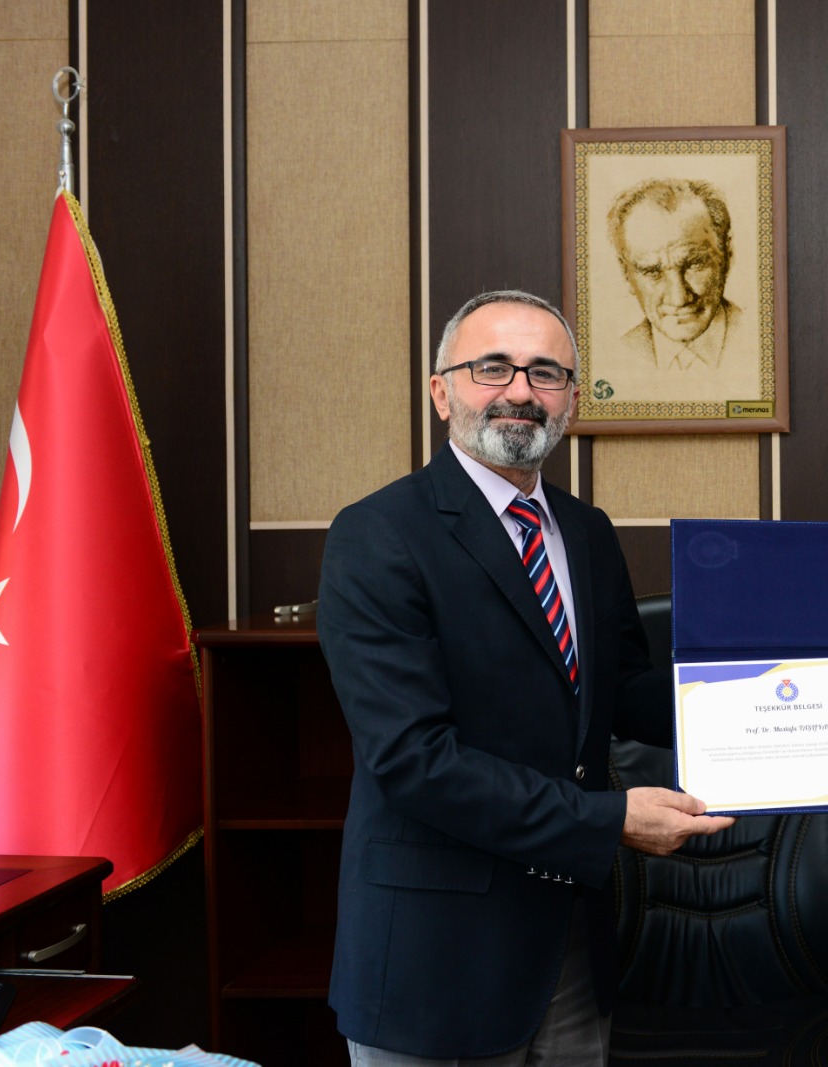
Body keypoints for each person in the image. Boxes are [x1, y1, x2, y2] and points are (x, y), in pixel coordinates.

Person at [318, 289, 734, 1066]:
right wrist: (608, 821)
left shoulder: (586, 532)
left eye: (546, 372)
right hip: (437, 958)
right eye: (492, 367)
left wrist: (805, 678)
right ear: (441, 391)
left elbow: (626, 694)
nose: (520, 390)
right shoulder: (377, 535)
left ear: (572, 398)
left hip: (569, 944)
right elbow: (413, 759)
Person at [607, 177, 743, 372]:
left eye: (694, 264)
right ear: (626, 274)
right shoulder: (613, 356)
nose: (678, 298)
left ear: (727, 256)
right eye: (652, 271)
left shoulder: (762, 339)